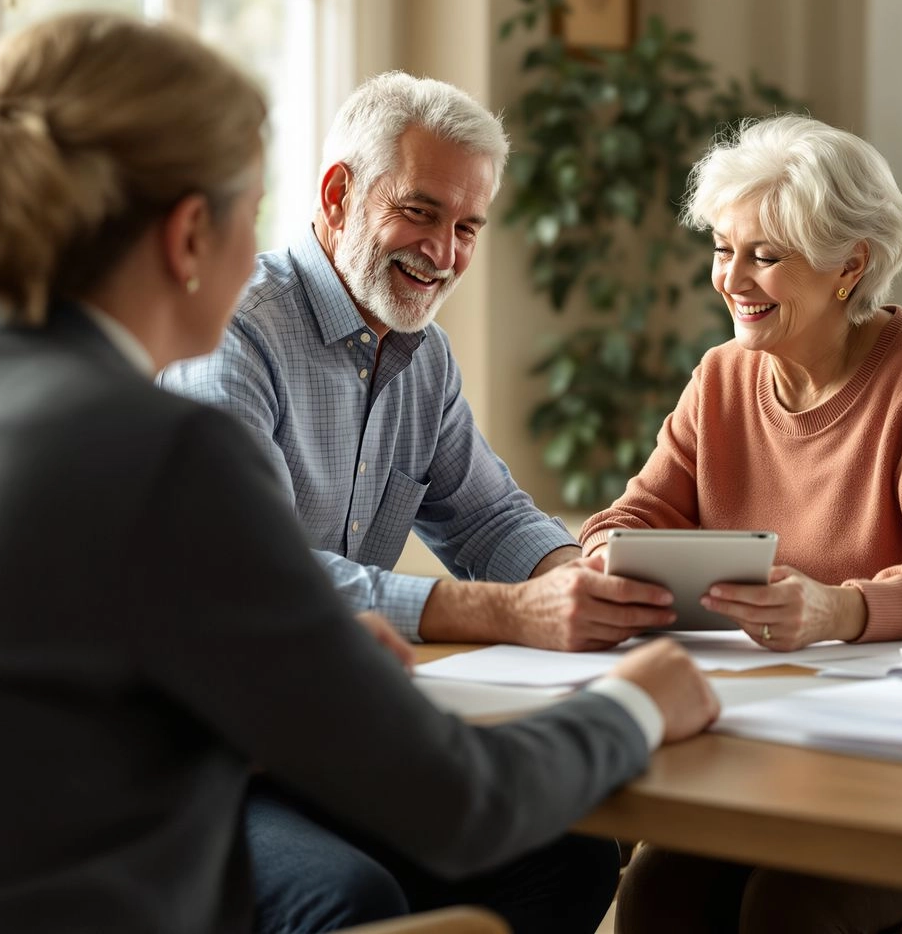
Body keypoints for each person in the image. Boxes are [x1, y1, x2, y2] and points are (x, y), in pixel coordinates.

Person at [0, 12, 722, 934]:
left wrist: (282, 651)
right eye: (252, 210)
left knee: (551, 859)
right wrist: (637, 704)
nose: (259, 248)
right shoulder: (164, 445)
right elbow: (459, 799)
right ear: (189, 235)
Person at [160, 71, 684, 933]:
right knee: (352, 896)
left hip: (336, 733)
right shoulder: (236, 333)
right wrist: (513, 613)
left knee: (568, 856)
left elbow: (487, 516)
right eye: (422, 211)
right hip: (219, 754)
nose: (443, 253)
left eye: (468, 226)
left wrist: (581, 578)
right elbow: (262, 583)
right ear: (338, 194)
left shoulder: (422, 355)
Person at [578, 114, 902, 934]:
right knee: (653, 897)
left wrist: (836, 608)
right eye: (723, 248)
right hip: (751, 751)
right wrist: (614, 554)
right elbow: (627, 515)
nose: (731, 279)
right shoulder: (719, 379)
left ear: (849, 266)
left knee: (788, 913)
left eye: (766, 256)